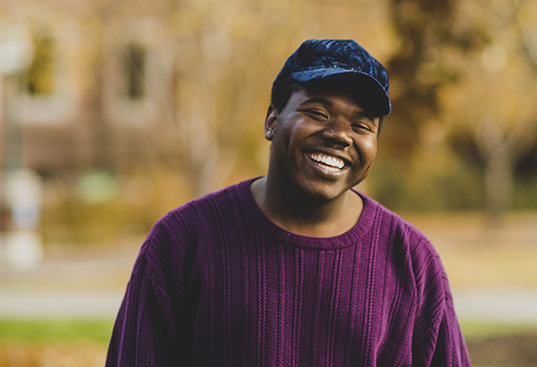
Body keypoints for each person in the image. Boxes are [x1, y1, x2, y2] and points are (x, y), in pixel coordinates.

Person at [106, 39, 471, 366]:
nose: (339, 135)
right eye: (318, 113)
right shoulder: (184, 241)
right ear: (271, 120)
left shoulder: (411, 259)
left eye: (362, 125)